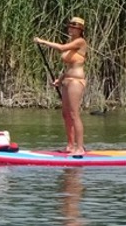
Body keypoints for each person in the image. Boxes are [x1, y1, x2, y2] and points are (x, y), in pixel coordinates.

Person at [34, 16, 88, 157]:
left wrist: (42, 41)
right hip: (67, 80)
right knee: (65, 114)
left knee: (74, 114)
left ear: (80, 30)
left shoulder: (80, 41)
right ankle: (70, 145)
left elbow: (62, 48)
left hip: (76, 81)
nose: (71, 29)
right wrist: (61, 79)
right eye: (70, 27)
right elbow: (70, 66)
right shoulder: (72, 42)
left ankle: (80, 147)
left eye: (74, 27)